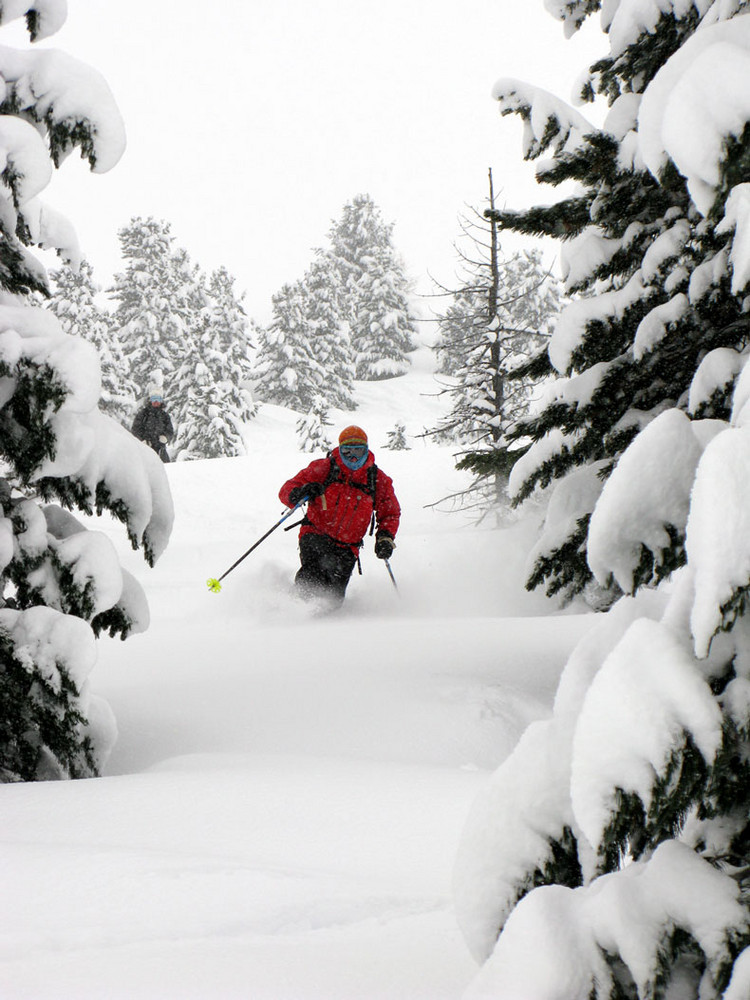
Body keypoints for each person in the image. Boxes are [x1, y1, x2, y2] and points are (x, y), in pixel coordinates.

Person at [279, 425, 400, 606]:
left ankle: (326, 623)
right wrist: (301, 492)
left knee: (334, 597)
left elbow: (390, 512)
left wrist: (385, 537)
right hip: (316, 533)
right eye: (347, 451)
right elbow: (286, 489)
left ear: (366, 450)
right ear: (339, 449)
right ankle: (295, 612)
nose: (352, 457)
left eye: (358, 451)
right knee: (312, 575)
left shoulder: (377, 479)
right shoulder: (324, 468)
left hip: (348, 547)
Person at [131, 392, 174, 462]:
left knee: (166, 468)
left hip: (160, 449)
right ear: (150, 400)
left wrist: (166, 437)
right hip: (145, 448)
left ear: (161, 401)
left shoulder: (165, 416)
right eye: (154, 399)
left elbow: (170, 430)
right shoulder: (143, 414)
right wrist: (142, 440)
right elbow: (135, 430)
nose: (156, 402)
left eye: (158, 399)